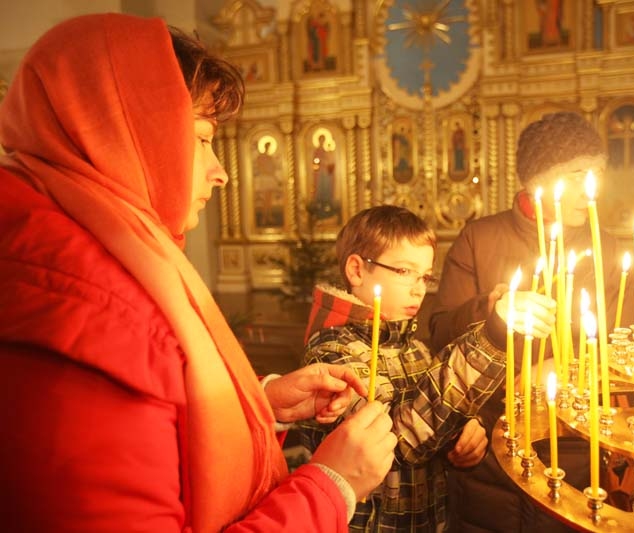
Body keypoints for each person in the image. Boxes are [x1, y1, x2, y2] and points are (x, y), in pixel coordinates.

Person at [0, 14, 397, 532]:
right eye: (203, 138)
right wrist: (332, 486)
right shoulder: (91, 317)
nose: (222, 170)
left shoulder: (92, 258)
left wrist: (260, 403)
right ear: (131, 133)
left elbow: (154, 428)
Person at [428, 111, 634, 532]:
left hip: (574, 442)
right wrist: (493, 310)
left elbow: (625, 348)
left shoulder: (608, 250)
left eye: (596, 172)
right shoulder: (480, 238)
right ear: (539, 179)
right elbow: (437, 332)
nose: (589, 190)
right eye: (576, 174)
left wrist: (566, 370)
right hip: (487, 438)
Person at [296, 205, 556, 532]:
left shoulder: (415, 347)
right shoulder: (331, 352)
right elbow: (401, 440)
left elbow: (435, 417)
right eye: (404, 272)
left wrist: (464, 434)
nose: (419, 288)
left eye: (425, 276)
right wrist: (493, 335)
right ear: (357, 270)